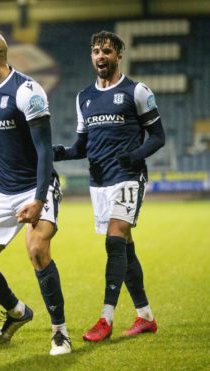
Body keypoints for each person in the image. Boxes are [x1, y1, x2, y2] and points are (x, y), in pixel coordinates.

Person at [53, 30, 165, 342]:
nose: (100, 56)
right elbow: (82, 146)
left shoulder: (137, 91)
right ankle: (145, 317)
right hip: (98, 183)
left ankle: (105, 318)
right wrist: (60, 153)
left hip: (128, 178)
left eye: (106, 51)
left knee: (115, 241)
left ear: (118, 55)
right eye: (96, 52)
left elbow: (158, 136)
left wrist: (136, 156)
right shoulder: (83, 97)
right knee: (125, 249)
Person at [0, 31, 71, 356]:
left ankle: (60, 334)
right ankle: (17, 312)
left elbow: (44, 151)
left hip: (37, 186)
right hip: (4, 192)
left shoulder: (28, 92)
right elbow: (3, 150)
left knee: (37, 249)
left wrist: (39, 199)